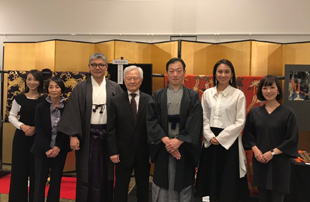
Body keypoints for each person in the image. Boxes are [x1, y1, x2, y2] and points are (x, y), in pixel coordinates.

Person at [57, 52, 123, 202]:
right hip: (86, 136)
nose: (97, 68)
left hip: (108, 136)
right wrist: (73, 135)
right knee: (86, 172)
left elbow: (122, 114)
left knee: (106, 172)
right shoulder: (80, 88)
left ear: (106, 67)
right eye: (94, 65)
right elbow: (72, 111)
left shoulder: (115, 88)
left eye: (101, 65)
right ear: (89, 67)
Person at [147, 58, 203, 202]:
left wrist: (178, 141)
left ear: (184, 72)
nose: (175, 74)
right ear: (167, 73)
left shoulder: (193, 96)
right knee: (162, 182)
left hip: (183, 148)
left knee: (182, 182)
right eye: (171, 71)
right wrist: (167, 141)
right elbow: (151, 120)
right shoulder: (157, 95)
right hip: (163, 146)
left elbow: (195, 122)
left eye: (179, 71)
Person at [195, 59, 249, 202]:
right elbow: (203, 118)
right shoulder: (207, 93)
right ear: (215, 73)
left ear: (232, 74)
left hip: (229, 143)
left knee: (228, 180)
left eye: (226, 72)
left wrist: (221, 138)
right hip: (210, 142)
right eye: (220, 71)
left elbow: (240, 121)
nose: (223, 75)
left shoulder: (238, 95)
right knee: (210, 178)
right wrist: (210, 136)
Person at [242, 75, 299, 202]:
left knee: (277, 198)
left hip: (280, 164)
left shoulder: (288, 113)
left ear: (278, 90)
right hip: (261, 161)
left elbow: (292, 139)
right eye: (265, 88)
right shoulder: (254, 112)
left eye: (272, 87)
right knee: (262, 197)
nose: (268, 91)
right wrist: (256, 150)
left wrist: (272, 153)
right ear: (261, 90)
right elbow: (248, 135)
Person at [107, 65, 151, 202]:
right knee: (121, 187)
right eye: (129, 78)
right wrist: (113, 151)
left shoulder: (149, 100)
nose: (132, 81)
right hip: (122, 153)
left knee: (143, 187)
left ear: (141, 80)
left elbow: (152, 128)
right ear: (124, 80)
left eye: (135, 78)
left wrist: (152, 152)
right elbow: (111, 129)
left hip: (144, 153)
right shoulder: (115, 101)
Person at [8, 69, 45, 202]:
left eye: (35, 79)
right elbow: (11, 116)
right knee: (19, 171)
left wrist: (36, 128)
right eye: (29, 79)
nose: (32, 82)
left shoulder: (45, 99)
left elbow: (47, 119)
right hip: (21, 139)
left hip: (38, 139)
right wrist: (22, 126)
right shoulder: (19, 98)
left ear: (40, 81)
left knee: (37, 171)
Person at [31, 77, 70, 202]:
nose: (54, 90)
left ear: (61, 89)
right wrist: (47, 148)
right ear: (47, 89)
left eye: (57, 87)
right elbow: (39, 129)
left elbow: (67, 129)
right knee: (39, 182)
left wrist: (58, 146)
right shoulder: (41, 107)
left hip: (60, 149)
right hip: (42, 149)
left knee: (56, 181)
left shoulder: (67, 107)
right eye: (51, 87)